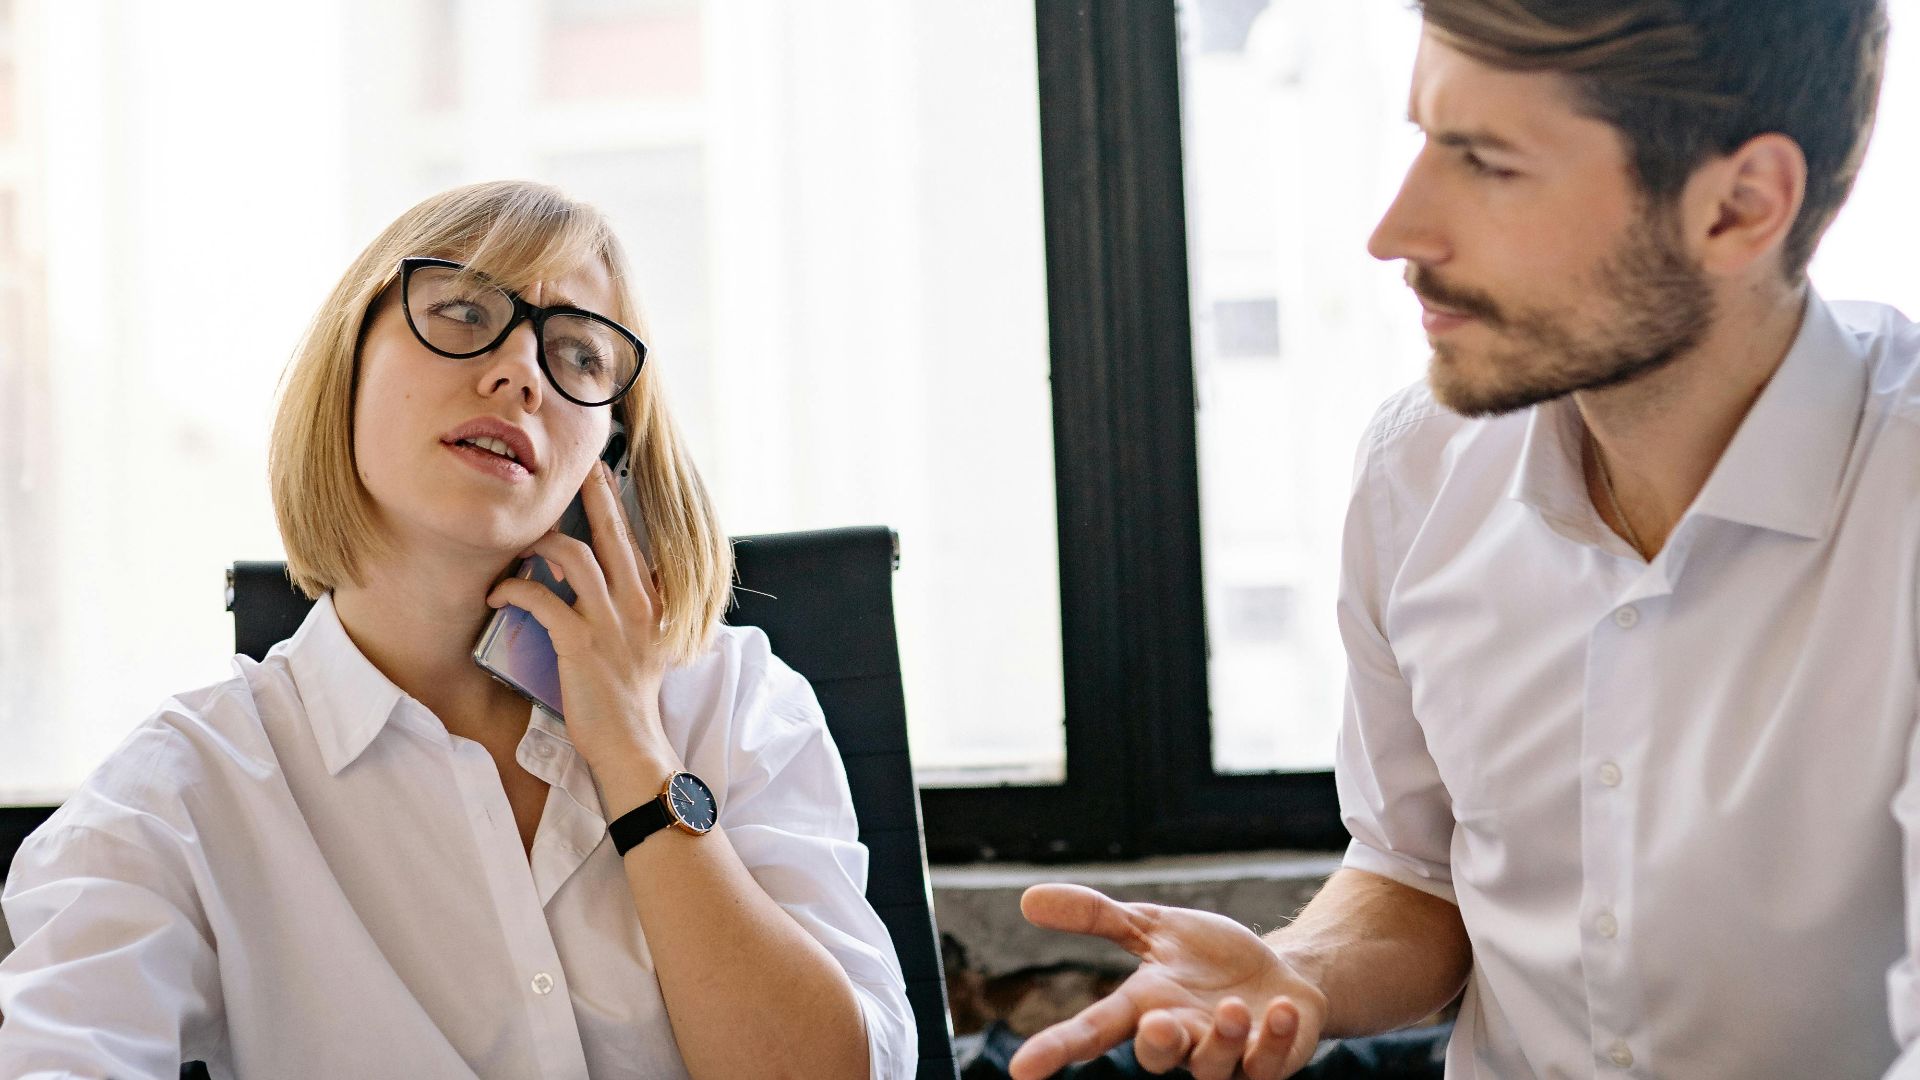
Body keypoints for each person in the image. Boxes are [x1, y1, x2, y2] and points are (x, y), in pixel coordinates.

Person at [1009, 1, 1920, 1078]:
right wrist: (1300, 969)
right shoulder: (1420, 467)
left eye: (1486, 164)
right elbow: (1417, 870)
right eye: (1424, 142)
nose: (1396, 231)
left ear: (1737, 207)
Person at [0, 180, 916, 1079]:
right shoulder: (184, 792)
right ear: (347, 366)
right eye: (465, 314)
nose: (521, 373)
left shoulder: (730, 702)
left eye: (581, 357)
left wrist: (636, 753)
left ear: (611, 456)